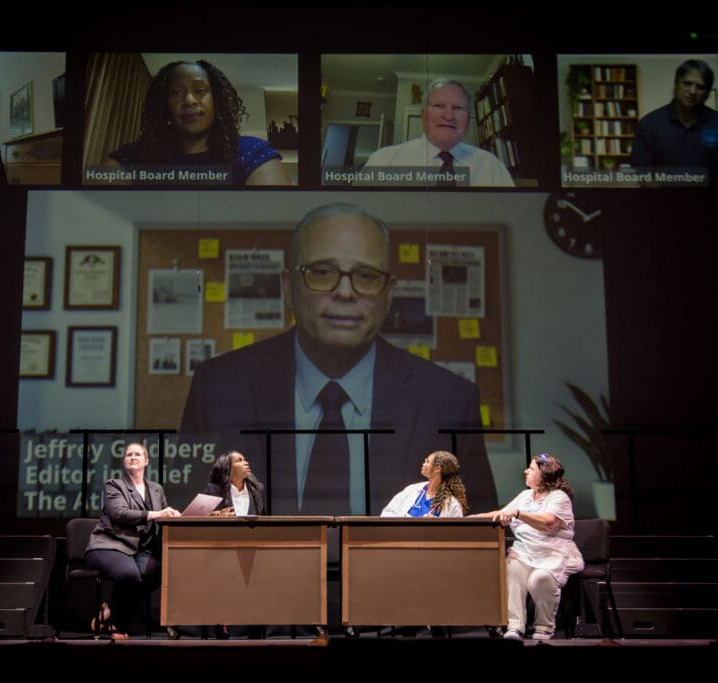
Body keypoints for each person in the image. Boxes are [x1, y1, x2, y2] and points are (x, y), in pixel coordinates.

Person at [179, 203, 497, 516]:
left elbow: (480, 539)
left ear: (389, 295)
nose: (345, 292)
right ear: (288, 288)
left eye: (366, 275)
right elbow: (181, 524)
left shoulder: (450, 401)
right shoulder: (217, 389)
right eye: (321, 272)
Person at [109, 60, 291, 186]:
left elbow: (276, 219)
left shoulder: (252, 153)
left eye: (200, 90)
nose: (189, 100)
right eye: (176, 93)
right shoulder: (136, 156)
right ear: (164, 105)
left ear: (216, 100)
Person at [475, 453, 583, 641]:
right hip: (525, 553)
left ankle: (544, 628)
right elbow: (500, 514)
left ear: (544, 475)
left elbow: (548, 523)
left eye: (531, 468)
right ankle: (515, 627)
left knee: (538, 580)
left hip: (554, 554)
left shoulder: (559, 497)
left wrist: (518, 514)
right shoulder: (526, 496)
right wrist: (465, 520)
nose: (526, 471)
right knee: (512, 570)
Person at [84, 442, 181, 639]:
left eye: (137, 454)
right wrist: (156, 513)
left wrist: (174, 516)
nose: (133, 457)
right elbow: (120, 514)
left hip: (136, 549)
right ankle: (119, 628)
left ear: (146, 461)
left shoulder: (156, 489)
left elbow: (160, 518)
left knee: (163, 568)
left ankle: (110, 608)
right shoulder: (114, 485)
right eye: (129, 455)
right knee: (130, 574)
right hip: (109, 545)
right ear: (124, 461)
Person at [361, 79, 514, 187]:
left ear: (469, 118)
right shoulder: (382, 162)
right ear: (423, 114)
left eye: (458, 108)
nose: (448, 116)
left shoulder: (491, 166)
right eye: (439, 106)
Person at [628, 59, 718, 188]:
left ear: (708, 93)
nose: (693, 91)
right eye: (687, 83)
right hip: (662, 205)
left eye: (700, 87)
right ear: (676, 85)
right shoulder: (649, 125)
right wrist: (668, 204)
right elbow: (642, 173)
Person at [200, 450, 267, 639]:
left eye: (245, 459)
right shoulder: (213, 490)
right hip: (222, 549)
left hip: (252, 549)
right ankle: (221, 626)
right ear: (228, 467)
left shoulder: (257, 490)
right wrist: (213, 516)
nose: (245, 463)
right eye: (239, 460)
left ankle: (256, 631)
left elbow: (265, 519)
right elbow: (194, 516)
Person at [381, 450, 468, 517]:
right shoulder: (412, 490)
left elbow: (455, 533)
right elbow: (387, 513)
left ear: (437, 468)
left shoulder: (452, 504)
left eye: (427, 461)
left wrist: (436, 526)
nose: (423, 464)